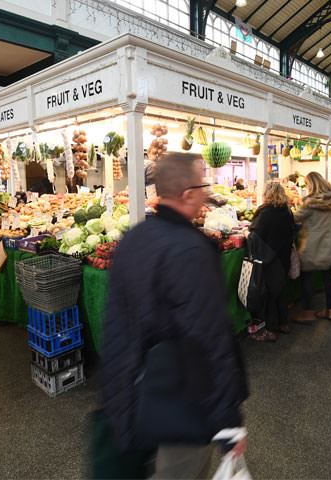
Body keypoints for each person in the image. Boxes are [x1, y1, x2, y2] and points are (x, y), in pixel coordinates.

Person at [99, 153, 247, 479]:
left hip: (134, 395)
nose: (207, 192)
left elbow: (115, 324)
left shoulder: (134, 238)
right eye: (203, 184)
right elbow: (210, 340)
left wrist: (117, 401)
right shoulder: (191, 250)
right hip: (180, 404)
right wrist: (227, 421)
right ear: (186, 193)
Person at [248, 182, 296, 341]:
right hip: (283, 256)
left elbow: (255, 235)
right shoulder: (287, 211)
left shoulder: (265, 213)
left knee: (268, 293)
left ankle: (270, 329)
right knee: (281, 290)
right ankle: (284, 323)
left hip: (268, 259)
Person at [293, 172, 331, 323]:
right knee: (328, 278)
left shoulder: (309, 203)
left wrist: (296, 205)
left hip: (312, 245)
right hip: (330, 243)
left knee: (306, 277)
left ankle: (308, 312)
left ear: (311, 185)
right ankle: (330, 310)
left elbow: (296, 218)